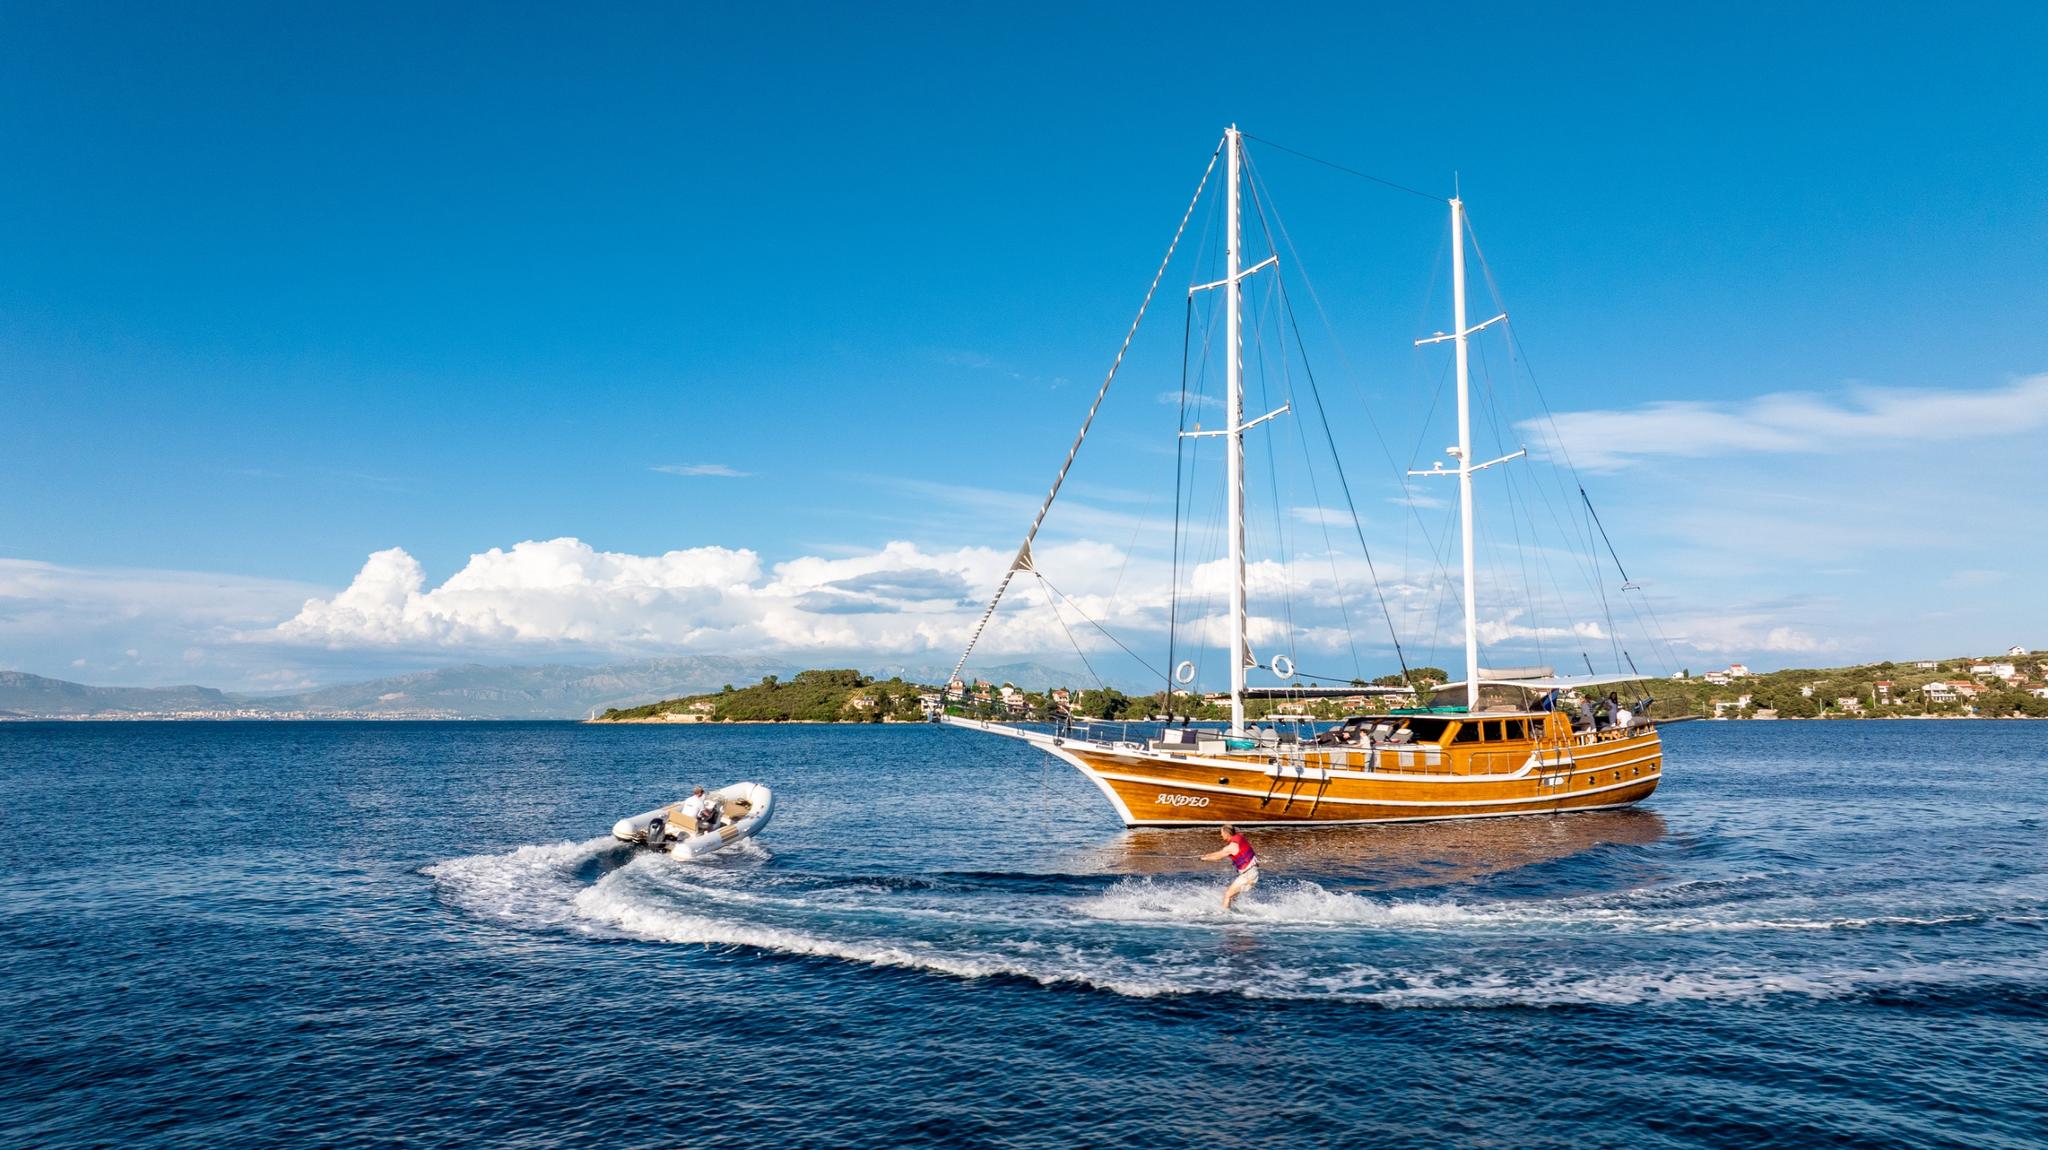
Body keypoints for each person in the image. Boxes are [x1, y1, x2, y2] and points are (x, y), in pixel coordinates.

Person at [1200, 824, 1260, 911]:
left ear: (1227, 833)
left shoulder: (1232, 847)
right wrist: (1206, 855)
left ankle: (1225, 916)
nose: (1221, 835)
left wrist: (1204, 858)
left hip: (1248, 875)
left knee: (1227, 895)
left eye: (1221, 833)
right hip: (1251, 873)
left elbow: (1219, 856)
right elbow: (1221, 851)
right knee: (1232, 895)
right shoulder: (1239, 837)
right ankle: (1234, 911)